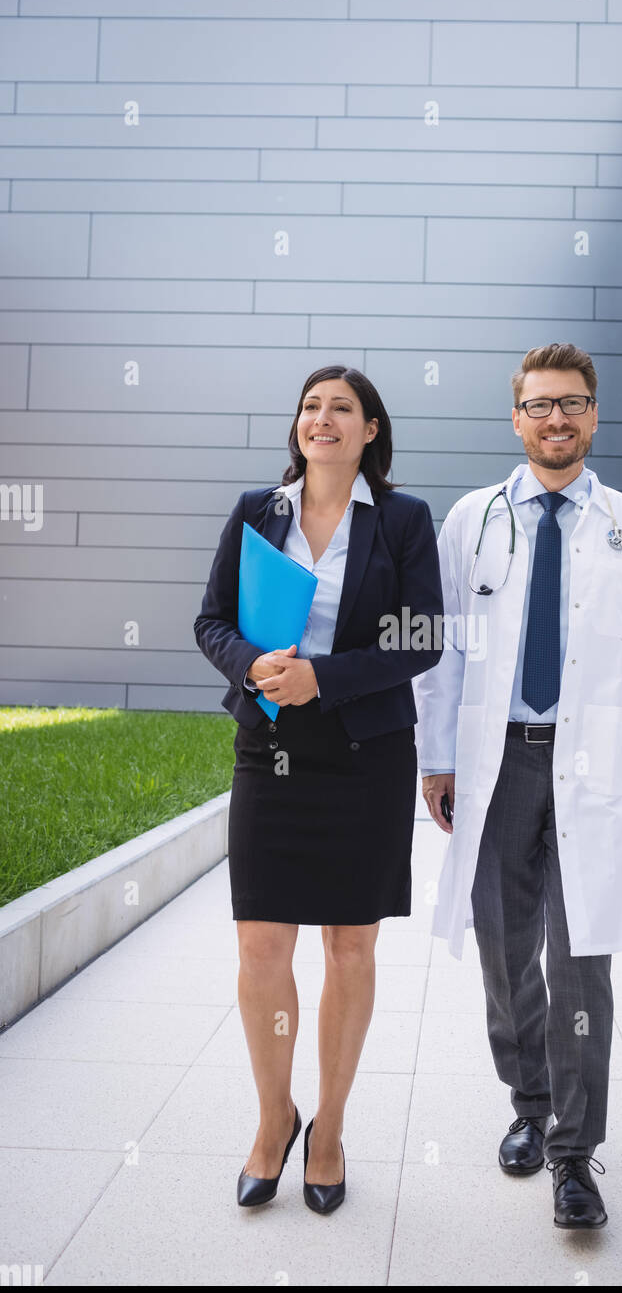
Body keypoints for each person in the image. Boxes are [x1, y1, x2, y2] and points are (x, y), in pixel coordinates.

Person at [413, 342, 622, 1230]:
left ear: (594, 416)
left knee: (582, 958)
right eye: (540, 405)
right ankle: (528, 1106)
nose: (557, 419)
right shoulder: (473, 520)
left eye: (572, 404)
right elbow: (444, 652)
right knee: (504, 948)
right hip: (496, 761)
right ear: (517, 418)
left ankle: (575, 1154)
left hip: (595, 765)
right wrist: (437, 756)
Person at [194, 365, 443, 1214]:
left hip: (365, 756)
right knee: (262, 946)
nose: (322, 419)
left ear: (371, 429)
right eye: (310, 407)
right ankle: (275, 1120)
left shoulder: (404, 520)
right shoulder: (257, 511)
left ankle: (328, 1129)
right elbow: (210, 621)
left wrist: (323, 679)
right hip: (268, 749)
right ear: (296, 426)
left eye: (342, 408)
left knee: (349, 947)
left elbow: (422, 639)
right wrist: (252, 665)